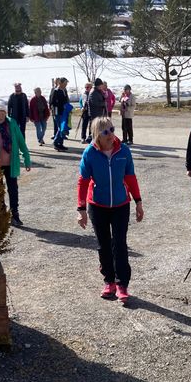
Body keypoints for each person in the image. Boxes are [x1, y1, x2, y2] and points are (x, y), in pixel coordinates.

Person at [76, 116, 144, 305]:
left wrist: (138, 202)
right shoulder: (90, 153)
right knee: (103, 245)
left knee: (120, 244)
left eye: (112, 129)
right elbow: (83, 181)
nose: (111, 135)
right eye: (106, 131)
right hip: (98, 206)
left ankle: (122, 284)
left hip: (121, 205)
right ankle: (109, 281)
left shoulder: (124, 151)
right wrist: (81, 208)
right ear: (97, 134)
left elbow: (130, 177)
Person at [0, 101, 32, 227]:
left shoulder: (12, 124)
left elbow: (21, 142)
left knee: (13, 190)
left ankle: (15, 215)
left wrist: (26, 158)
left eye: (3, 113)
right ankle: (2, 213)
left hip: (11, 163)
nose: (0, 116)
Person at [50, 77, 70, 152]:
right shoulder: (56, 91)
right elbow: (52, 102)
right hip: (57, 112)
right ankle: (56, 143)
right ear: (60, 83)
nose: (66, 85)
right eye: (65, 83)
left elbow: (66, 100)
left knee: (63, 128)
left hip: (64, 112)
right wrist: (61, 105)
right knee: (60, 128)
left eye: (66, 83)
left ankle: (60, 144)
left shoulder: (64, 90)